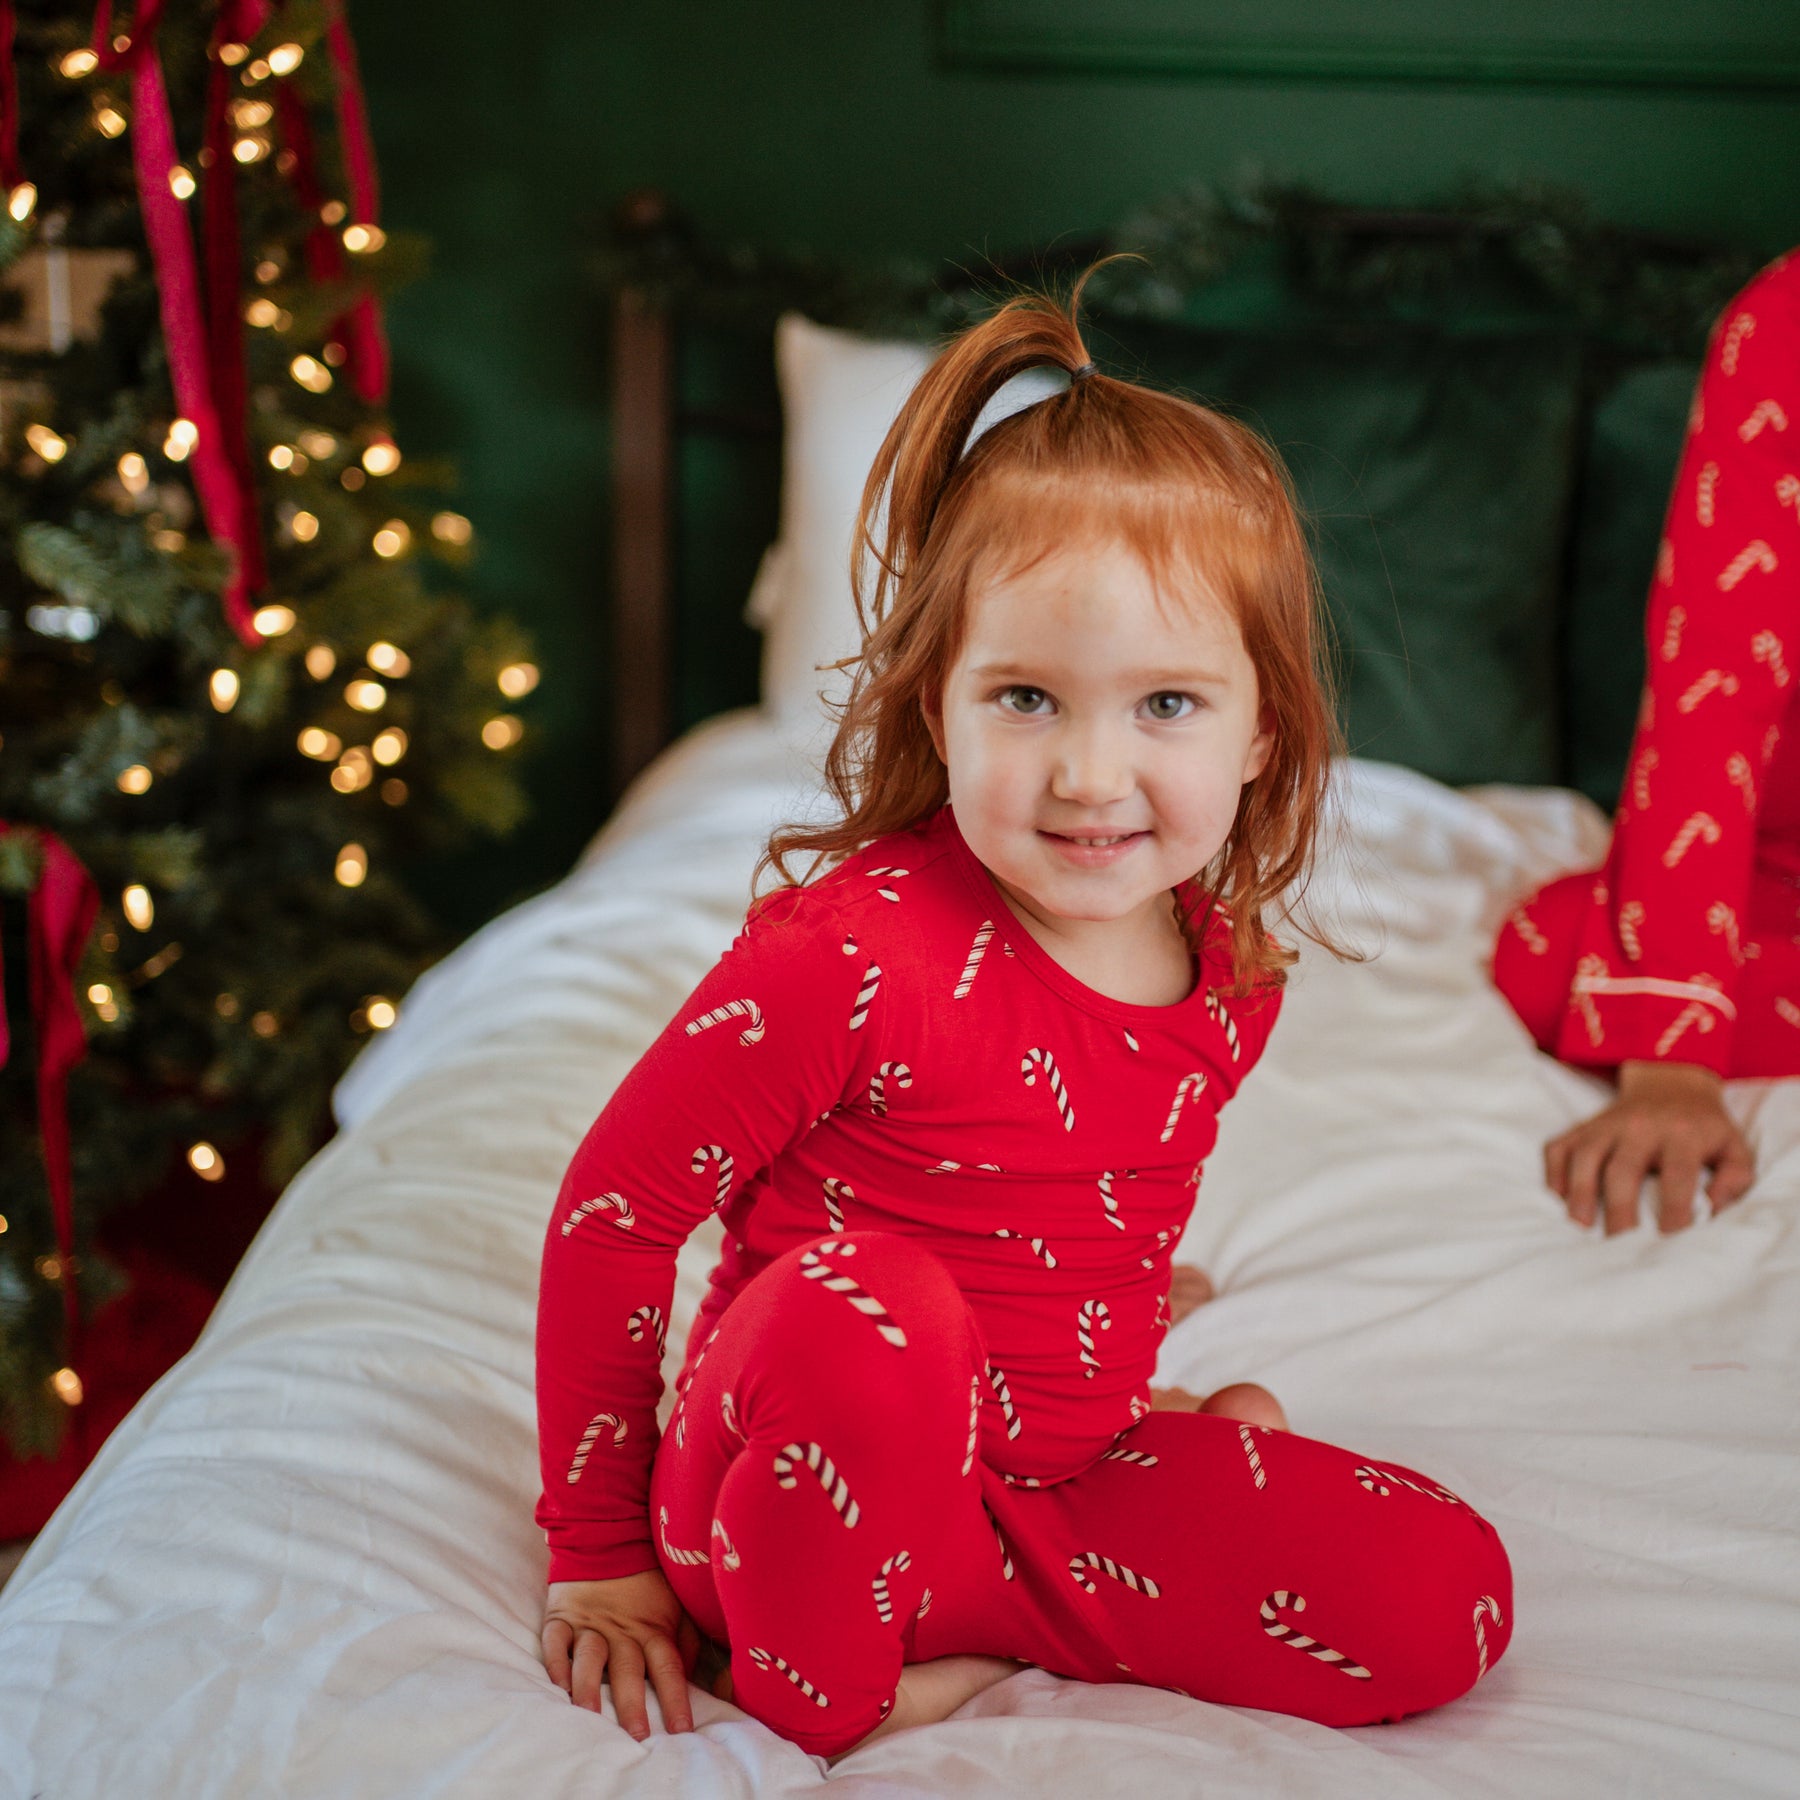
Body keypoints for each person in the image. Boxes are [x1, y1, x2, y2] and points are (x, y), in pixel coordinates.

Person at [534, 274, 1514, 1762]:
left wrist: (1112, 1334)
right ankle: (818, 1681)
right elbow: (616, 1214)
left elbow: (1074, 1186)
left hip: (1042, 1485)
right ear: (939, 706)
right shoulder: (849, 954)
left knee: (1450, 1596)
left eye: (1167, 706)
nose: (1090, 775)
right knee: (879, 1311)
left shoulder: (1225, 969)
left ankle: (966, 1617)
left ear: (1267, 729)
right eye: (1028, 699)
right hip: (789, 1486)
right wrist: (597, 1551)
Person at [1494, 249, 1799, 1236]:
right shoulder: (1782, 324)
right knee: (1545, 955)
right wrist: (1672, 1055)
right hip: (1771, 868)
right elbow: (1713, 682)